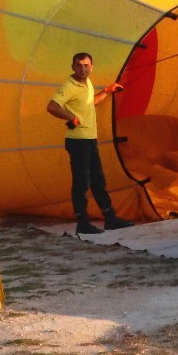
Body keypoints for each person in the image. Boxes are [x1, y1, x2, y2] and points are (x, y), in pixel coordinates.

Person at [47, 52, 134, 234]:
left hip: (89, 140)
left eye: (86, 65)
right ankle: (82, 223)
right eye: (79, 65)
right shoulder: (69, 86)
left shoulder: (86, 82)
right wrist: (71, 117)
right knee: (82, 182)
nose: (83, 69)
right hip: (78, 141)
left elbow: (89, 103)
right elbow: (52, 106)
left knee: (98, 180)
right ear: (73, 67)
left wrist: (106, 91)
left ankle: (110, 218)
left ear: (91, 67)